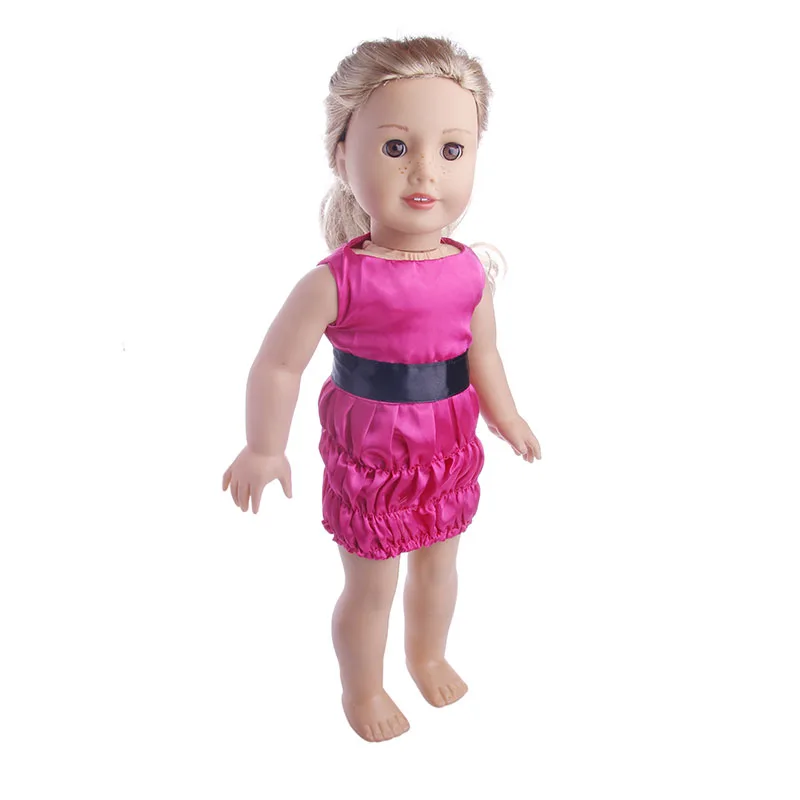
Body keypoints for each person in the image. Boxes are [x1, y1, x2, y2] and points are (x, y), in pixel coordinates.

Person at [222, 35, 542, 743]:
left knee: (440, 564)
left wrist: (507, 415)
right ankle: (362, 687)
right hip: (373, 454)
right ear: (343, 157)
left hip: (447, 446)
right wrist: (263, 447)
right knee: (373, 583)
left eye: (452, 150)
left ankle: (427, 655)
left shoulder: (468, 270)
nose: (425, 170)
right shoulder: (336, 281)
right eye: (396, 147)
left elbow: (483, 351)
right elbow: (278, 364)